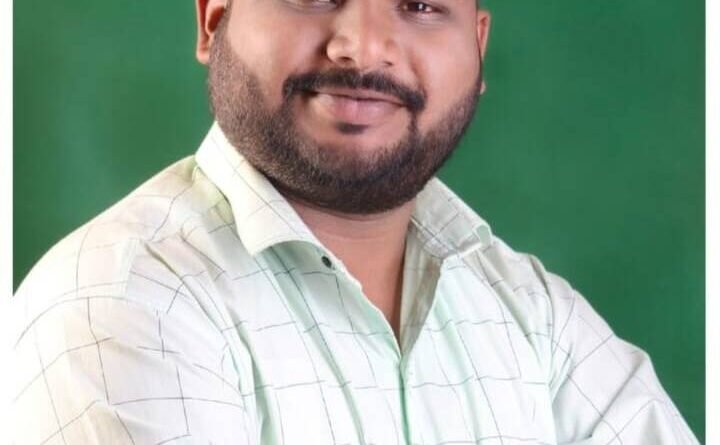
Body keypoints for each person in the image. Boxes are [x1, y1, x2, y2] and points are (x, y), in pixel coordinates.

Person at [6, 0, 699, 443]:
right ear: (213, 18)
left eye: (420, 5)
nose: (364, 48)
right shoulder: (122, 303)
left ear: (478, 46)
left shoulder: (534, 317)